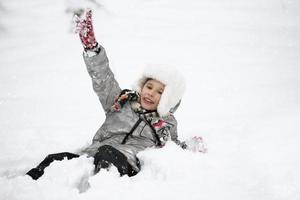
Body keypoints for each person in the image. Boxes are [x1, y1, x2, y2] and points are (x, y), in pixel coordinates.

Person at [26, 10, 205, 180]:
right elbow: (104, 80)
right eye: (149, 86)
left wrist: (189, 147)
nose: (151, 93)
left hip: (126, 160)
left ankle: (101, 190)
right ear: (141, 87)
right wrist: (92, 49)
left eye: (160, 92)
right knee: (57, 159)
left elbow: (172, 146)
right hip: (92, 154)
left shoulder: (166, 123)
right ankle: (30, 183)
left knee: (107, 153)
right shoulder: (121, 102)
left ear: (168, 100)